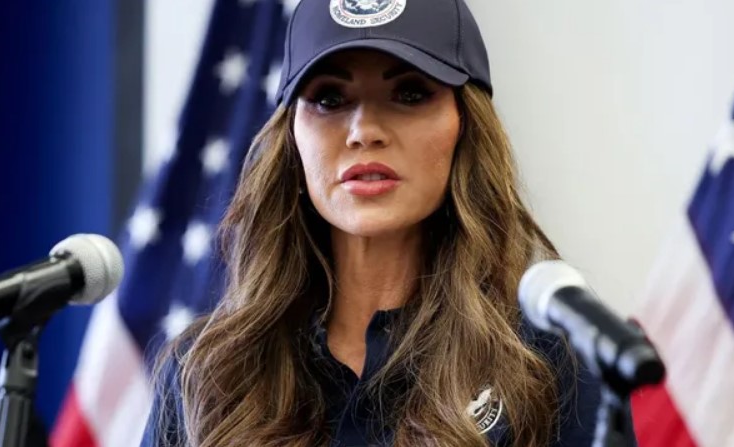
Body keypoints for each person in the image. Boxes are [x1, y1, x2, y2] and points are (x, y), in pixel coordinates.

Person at [141, 0, 637, 446]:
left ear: (465, 128)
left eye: (410, 93)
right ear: (291, 140)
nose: (364, 131)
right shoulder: (206, 374)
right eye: (329, 99)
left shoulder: (549, 364)